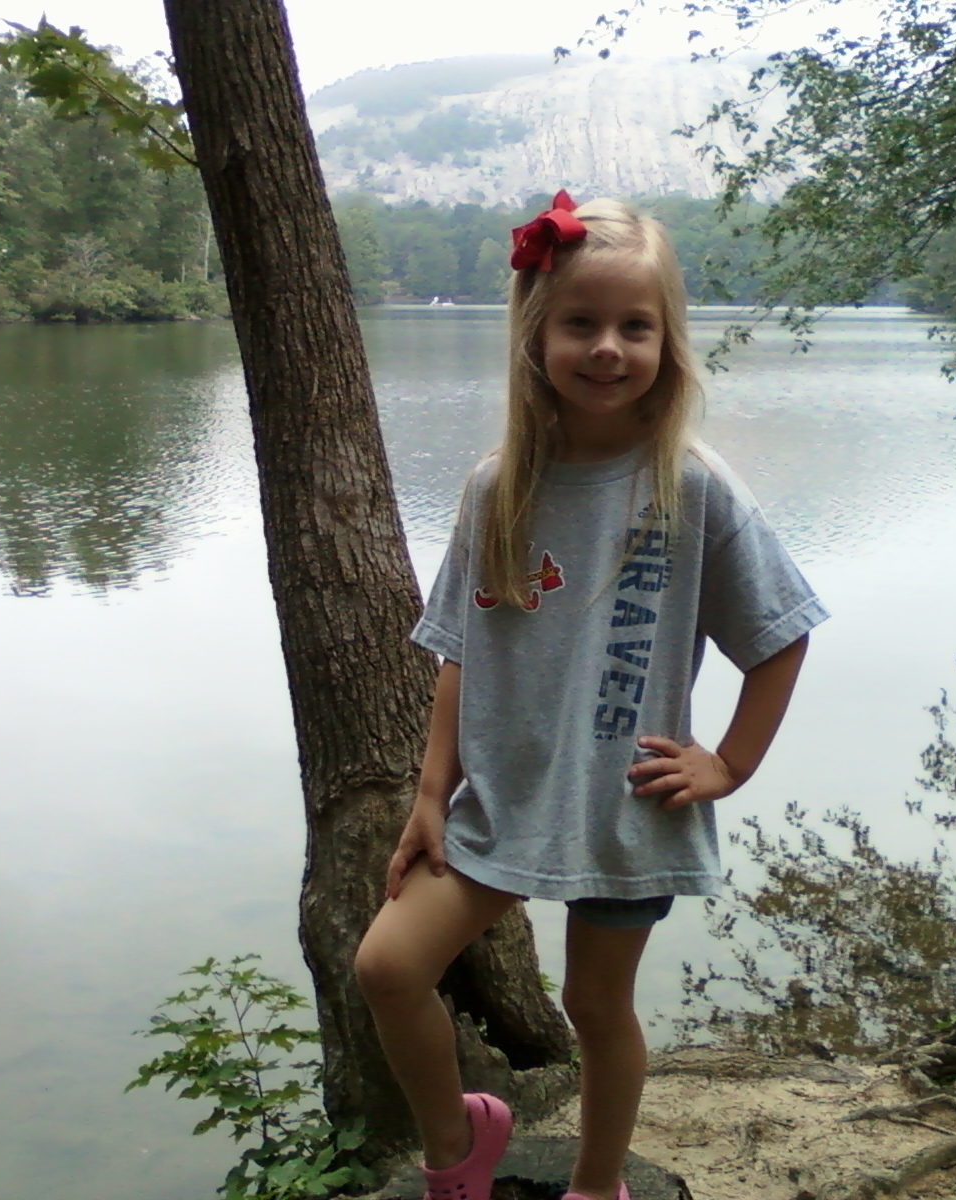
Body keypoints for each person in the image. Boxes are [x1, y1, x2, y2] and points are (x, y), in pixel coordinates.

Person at [354, 191, 829, 1200]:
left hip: (626, 807)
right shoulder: (497, 486)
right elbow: (459, 650)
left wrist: (729, 763)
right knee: (388, 969)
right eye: (580, 322)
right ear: (535, 335)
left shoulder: (688, 487)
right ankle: (456, 1149)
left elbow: (779, 635)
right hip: (503, 798)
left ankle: (597, 1184)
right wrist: (430, 793)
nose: (607, 347)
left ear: (668, 342)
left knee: (595, 1006)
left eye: (634, 326)